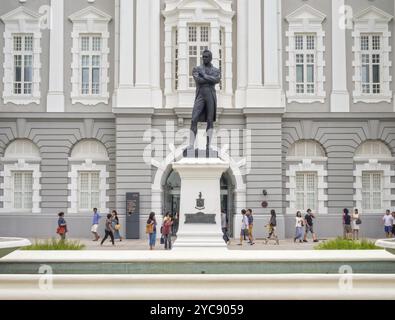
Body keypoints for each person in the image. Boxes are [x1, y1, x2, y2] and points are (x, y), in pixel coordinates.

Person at [186, 49, 221, 153]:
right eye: (203, 57)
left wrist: (205, 76)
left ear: (210, 58)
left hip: (211, 94)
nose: (204, 58)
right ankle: (191, 144)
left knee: (210, 121)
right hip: (201, 94)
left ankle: (208, 146)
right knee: (194, 119)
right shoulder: (197, 69)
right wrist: (210, 79)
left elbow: (217, 80)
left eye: (206, 57)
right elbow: (198, 80)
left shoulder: (216, 70)